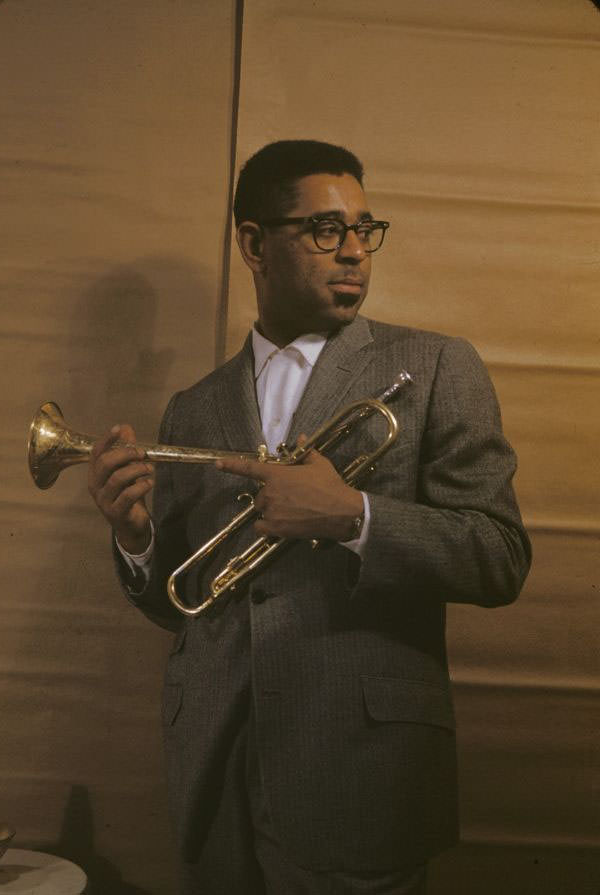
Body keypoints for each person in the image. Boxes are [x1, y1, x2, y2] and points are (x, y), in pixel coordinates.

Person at [88, 140, 531, 895]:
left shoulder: (435, 366)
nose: (354, 251)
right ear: (254, 243)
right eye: (326, 230)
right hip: (215, 766)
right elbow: (180, 604)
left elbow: (498, 555)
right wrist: (136, 542)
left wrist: (352, 515)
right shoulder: (193, 406)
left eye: (365, 228)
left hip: (358, 770)